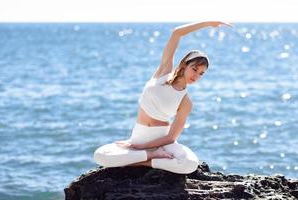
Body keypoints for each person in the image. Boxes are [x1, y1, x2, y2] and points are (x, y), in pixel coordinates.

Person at [94, 21, 233, 174]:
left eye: (201, 73)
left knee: (189, 164)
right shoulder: (164, 72)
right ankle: (151, 157)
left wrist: (141, 148)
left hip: (162, 142)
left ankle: (144, 161)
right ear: (185, 65)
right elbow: (177, 33)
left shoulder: (186, 101)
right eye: (194, 69)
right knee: (100, 156)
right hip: (138, 137)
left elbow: (171, 137)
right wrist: (208, 22)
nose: (196, 75)